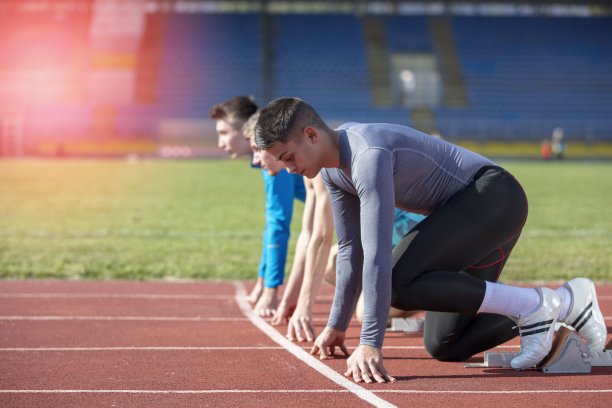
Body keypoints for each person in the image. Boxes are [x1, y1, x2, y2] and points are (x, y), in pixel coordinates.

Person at [254, 97, 607, 383]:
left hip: (494, 198)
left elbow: (376, 255)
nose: (289, 169)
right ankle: (562, 308)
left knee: (396, 280)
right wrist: (336, 326)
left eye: (288, 157)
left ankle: (540, 304)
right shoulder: (332, 171)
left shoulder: (368, 156)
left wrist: (370, 343)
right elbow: (351, 250)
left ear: (312, 135)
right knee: (447, 344)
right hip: (466, 220)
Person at [209, 96, 306, 316]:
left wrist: (271, 292)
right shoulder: (268, 159)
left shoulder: (274, 159)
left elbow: (278, 225)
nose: (220, 143)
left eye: (224, 133)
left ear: (245, 129)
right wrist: (262, 281)